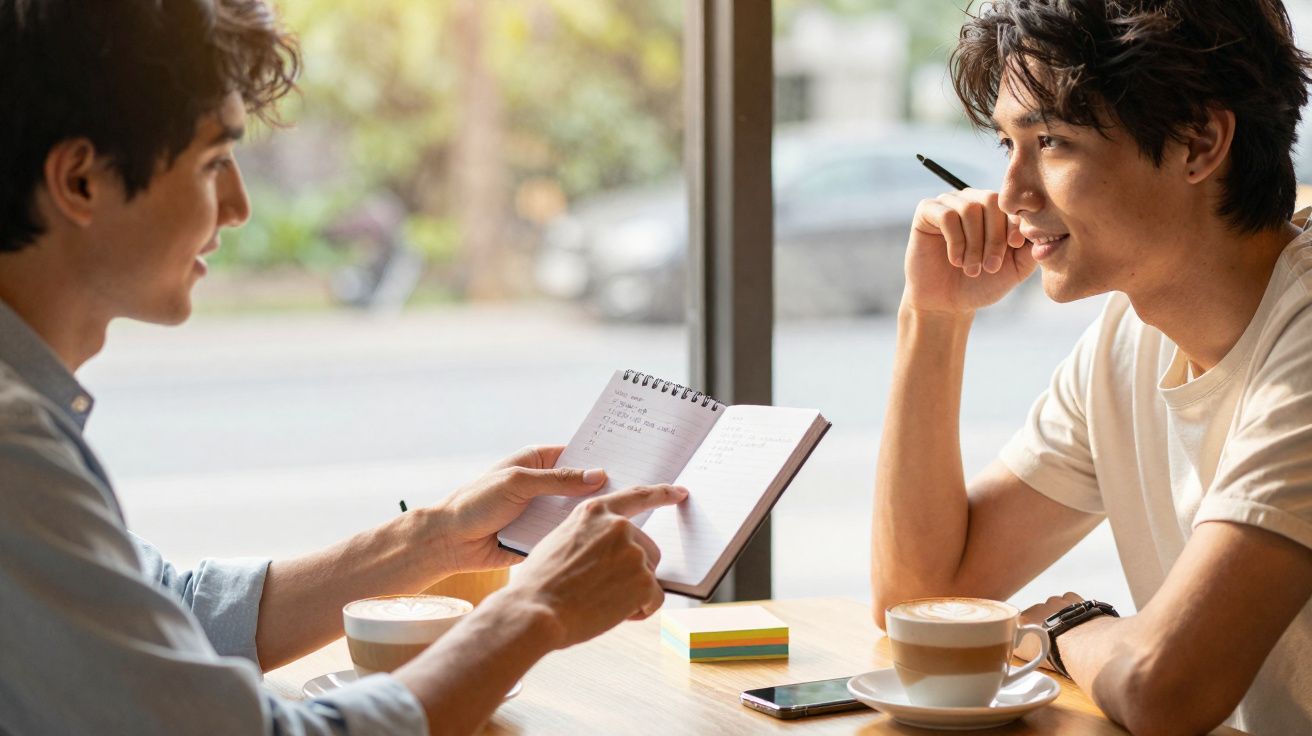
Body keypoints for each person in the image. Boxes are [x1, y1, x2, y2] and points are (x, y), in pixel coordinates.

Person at [0, 2, 685, 734]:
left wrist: (434, 540)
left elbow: (163, 608)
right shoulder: (14, 450)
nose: (237, 206)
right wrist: (537, 609)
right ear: (79, 181)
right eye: (212, 162)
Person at [870, 1, 1312, 734]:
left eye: (1051, 141)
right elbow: (922, 600)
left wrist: (1067, 624)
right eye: (1007, 145)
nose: (1011, 195)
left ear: (1200, 143)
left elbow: (1164, 688)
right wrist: (934, 316)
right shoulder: (1129, 336)